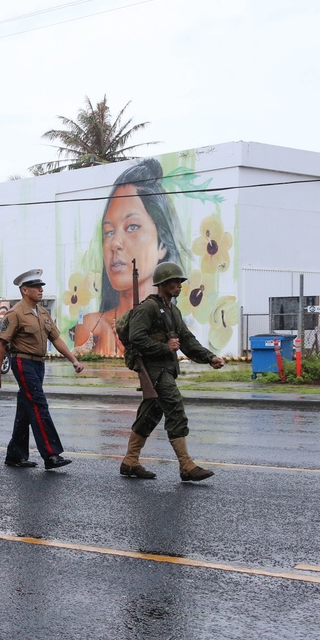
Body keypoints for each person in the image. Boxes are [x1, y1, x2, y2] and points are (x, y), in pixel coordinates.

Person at [122, 261, 225, 482]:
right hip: (154, 370)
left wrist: (210, 357)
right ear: (163, 283)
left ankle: (130, 461)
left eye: (180, 281)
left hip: (165, 370)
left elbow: (187, 340)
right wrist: (163, 347)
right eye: (175, 281)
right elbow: (136, 337)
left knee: (150, 415)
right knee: (175, 410)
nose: (179, 285)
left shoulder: (173, 311)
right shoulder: (148, 308)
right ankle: (186, 465)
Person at [74, 158, 185, 356]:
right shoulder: (93, 327)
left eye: (132, 227)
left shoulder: (174, 322)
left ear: (162, 243)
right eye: (108, 232)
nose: (115, 243)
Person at [0, 269, 84, 469]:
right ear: (24, 290)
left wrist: (73, 360)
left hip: (39, 364)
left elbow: (56, 339)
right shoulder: (15, 313)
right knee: (39, 405)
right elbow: (1, 344)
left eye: (41, 286)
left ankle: (15, 455)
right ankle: (51, 455)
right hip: (23, 363)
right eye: (35, 287)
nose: (40, 290)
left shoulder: (43, 313)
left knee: (26, 408)